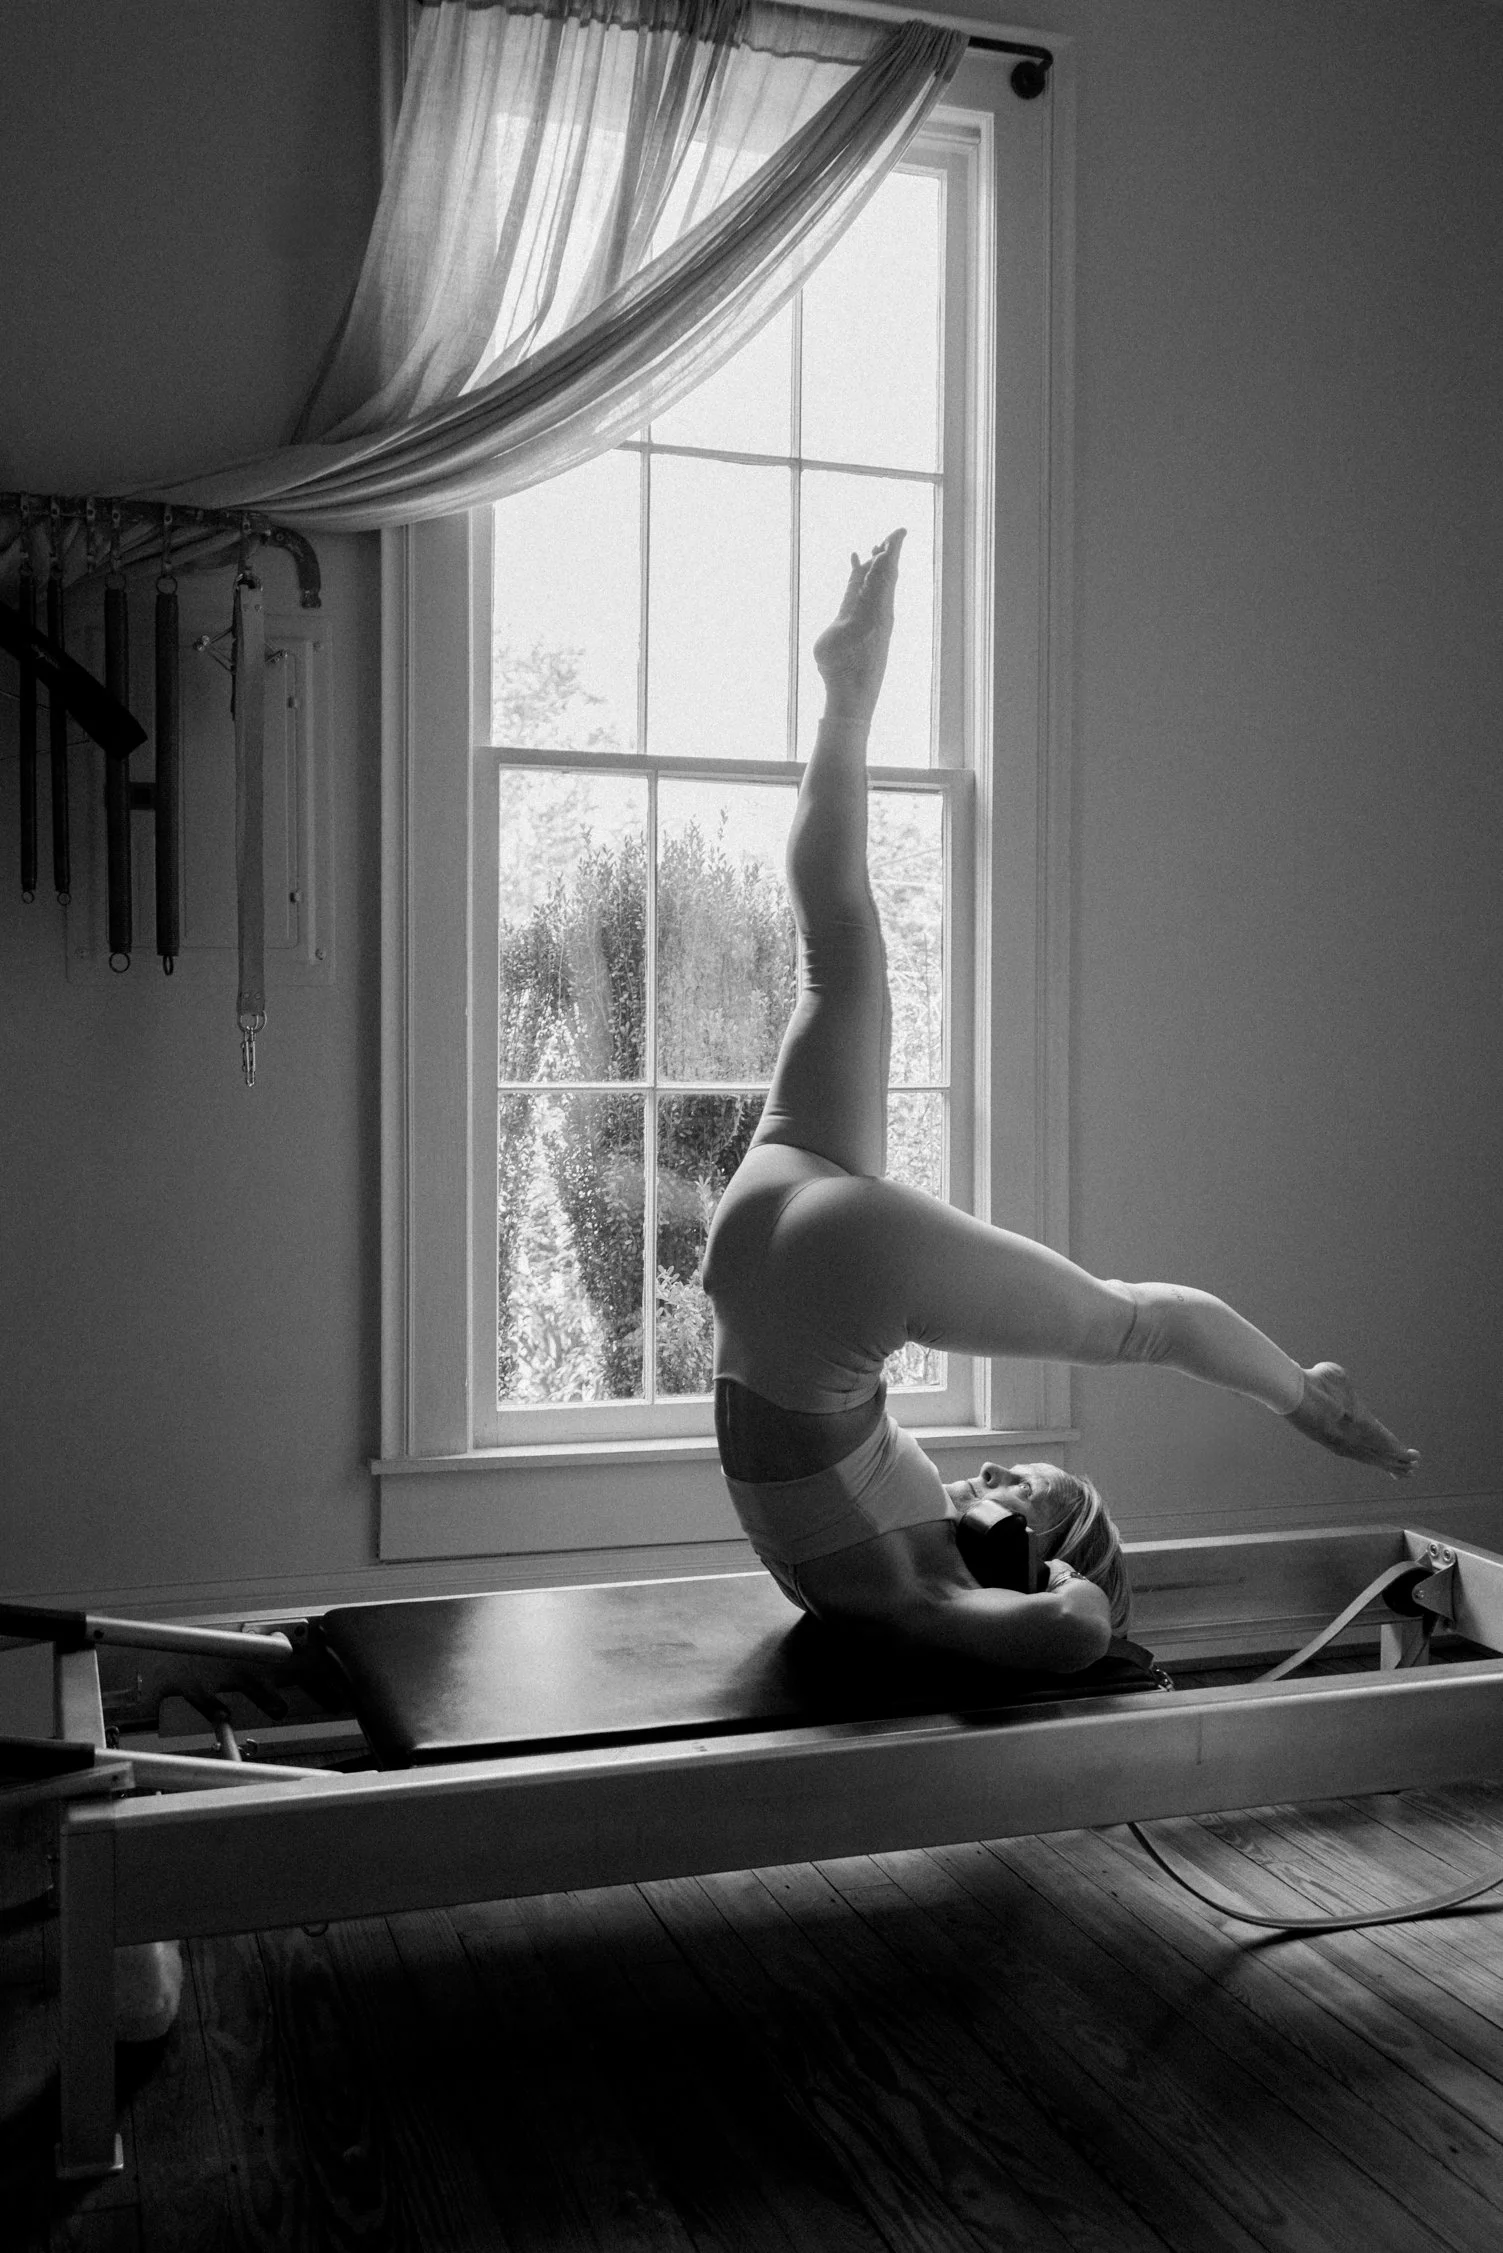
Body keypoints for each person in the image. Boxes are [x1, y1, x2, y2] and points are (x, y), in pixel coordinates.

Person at [701, 531, 1418, 1674]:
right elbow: (1075, 1614)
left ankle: (1309, 1398)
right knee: (838, 948)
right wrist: (1057, 1557)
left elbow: (1081, 1626)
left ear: (1030, 1554)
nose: (995, 1475)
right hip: (767, 1257)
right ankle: (847, 696)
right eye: (1025, 1481)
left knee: (1137, 1322)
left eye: (1023, 1490)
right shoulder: (902, 1577)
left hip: (809, 1282)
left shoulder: (929, 1594)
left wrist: (1065, 1579)